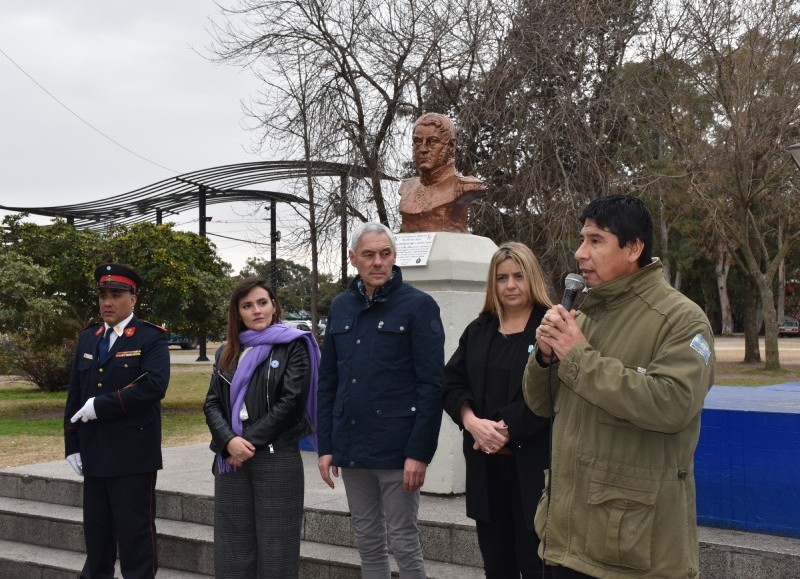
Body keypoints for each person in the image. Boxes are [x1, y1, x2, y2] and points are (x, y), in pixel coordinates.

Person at [523, 195, 715, 579]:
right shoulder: (585, 313)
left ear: (633, 248)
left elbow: (671, 404)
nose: (580, 253)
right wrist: (544, 358)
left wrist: (577, 355)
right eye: (581, 240)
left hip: (634, 553)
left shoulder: (682, 320)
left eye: (596, 241)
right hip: (565, 539)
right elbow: (540, 405)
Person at [317, 222, 445, 578]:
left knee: (404, 541)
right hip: (353, 446)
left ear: (394, 256)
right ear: (353, 258)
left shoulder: (419, 306)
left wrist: (419, 453)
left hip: (397, 449)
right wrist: (326, 446)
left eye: (385, 254)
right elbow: (328, 382)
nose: (378, 262)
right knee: (367, 540)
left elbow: (432, 385)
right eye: (369, 254)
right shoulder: (341, 306)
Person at [442, 242, 553, 579]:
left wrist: (503, 428)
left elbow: (553, 391)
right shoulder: (479, 330)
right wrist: (472, 421)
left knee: (536, 566)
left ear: (532, 278)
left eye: (518, 276)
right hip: (486, 472)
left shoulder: (549, 327)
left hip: (534, 472)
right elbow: (450, 383)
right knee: (497, 566)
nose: (510, 285)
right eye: (502, 277)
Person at [203, 276, 320, 579]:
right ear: (237, 312)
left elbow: (291, 402)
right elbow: (212, 404)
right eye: (247, 305)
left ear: (274, 306)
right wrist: (229, 441)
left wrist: (246, 443)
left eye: (262, 302)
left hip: (276, 457)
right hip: (230, 460)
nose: (256, 310)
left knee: (276, 551)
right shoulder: (227, 352)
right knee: (233, 552)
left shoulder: (294, 345)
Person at [64, 263, 170, 579]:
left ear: (133, 298)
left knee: (135, 538)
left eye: (116, 295)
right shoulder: (88, 338)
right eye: (103, 296)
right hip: (95, 453)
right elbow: (74, 395)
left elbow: (153, 386)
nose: (107, 302)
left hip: (132, 456)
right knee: (96, 540)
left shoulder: (151, 338)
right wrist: (72, 444)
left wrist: (101, 405)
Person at [398, 112, 486, 233]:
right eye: (418, 141)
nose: (423, 149)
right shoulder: (406, 188)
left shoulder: (464, 187)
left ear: (451, 146)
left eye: (432, 142)